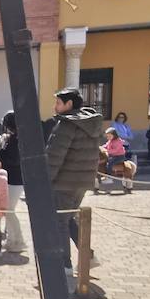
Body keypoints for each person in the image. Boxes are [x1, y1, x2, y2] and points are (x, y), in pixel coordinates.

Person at [45, 88, 103, 269]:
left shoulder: (67, 124)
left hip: (64, 182)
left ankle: (65, 266)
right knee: (68, 219)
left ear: (69, 104)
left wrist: (45, 180)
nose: (55, 107)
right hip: (82, 181)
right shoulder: (90, 123)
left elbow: (54, 157)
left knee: (59, 222)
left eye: (58, 103)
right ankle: (89, 256)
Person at [0, 111, 26, 253]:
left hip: (14, 180)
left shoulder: (15, 140)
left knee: (9, 210)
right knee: (8, 210)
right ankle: (12, 240)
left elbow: (12, 160)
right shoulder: (17, 138)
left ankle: (18, 240)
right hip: (14, 179)